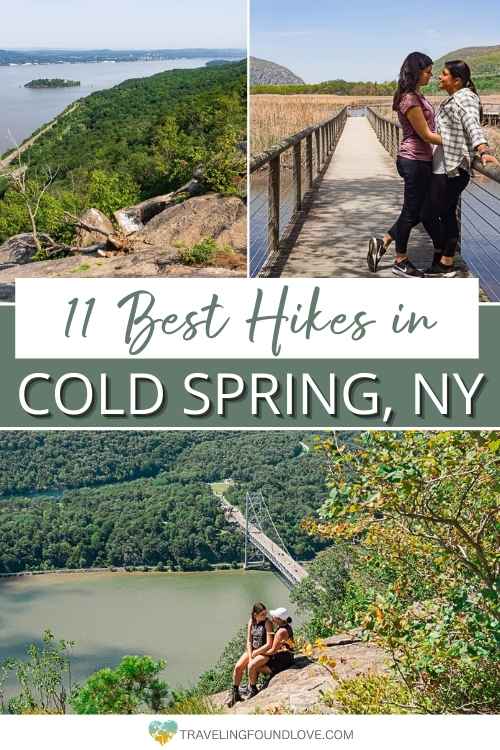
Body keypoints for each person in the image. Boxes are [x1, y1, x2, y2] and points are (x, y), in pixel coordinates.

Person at [368, 52, 443, 277]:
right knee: (412, 212)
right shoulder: (410, 99)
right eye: (428, 71)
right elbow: (426, 135)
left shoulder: (415, 95)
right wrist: (459, 143)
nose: (431, 75)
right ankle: (400, 261)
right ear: (416, 71)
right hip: (414, 160)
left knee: (419, 210)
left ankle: (383, 242)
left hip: (420, 160)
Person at [423, 60, 499, 277]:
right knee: (446, 214)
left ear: (456, 80)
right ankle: (443, 262)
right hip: (444, 165)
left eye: (444, 74)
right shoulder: (456, 97)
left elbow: (473, 125)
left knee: (428, 213)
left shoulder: (465, 97)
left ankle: (444, 259)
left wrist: (483, 149)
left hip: (453, 168)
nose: (439, 76)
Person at [228, 602, 273, 707]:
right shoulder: (251, 622)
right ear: (254, 614)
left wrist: (255, 653)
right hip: (252, 651)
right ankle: (235, 692)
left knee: (251, 665)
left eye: (265, 613)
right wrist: (250, 654)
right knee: (238, 667)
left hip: (264, 652)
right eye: (262, 614)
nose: (264, 616)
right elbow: (249, 641)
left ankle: (253, 689)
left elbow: (269, 644)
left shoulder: (268, 623)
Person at [245, 607, 295, 698]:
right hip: (285, 657)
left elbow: (272, 651)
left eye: (274, 617)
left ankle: (252, 689)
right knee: (254, 663)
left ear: (279, 619)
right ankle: (251, 686)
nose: (272, 618)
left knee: (254, 666)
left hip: (282, 662)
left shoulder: (281, 632)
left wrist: (257, 653)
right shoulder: (285, 627)